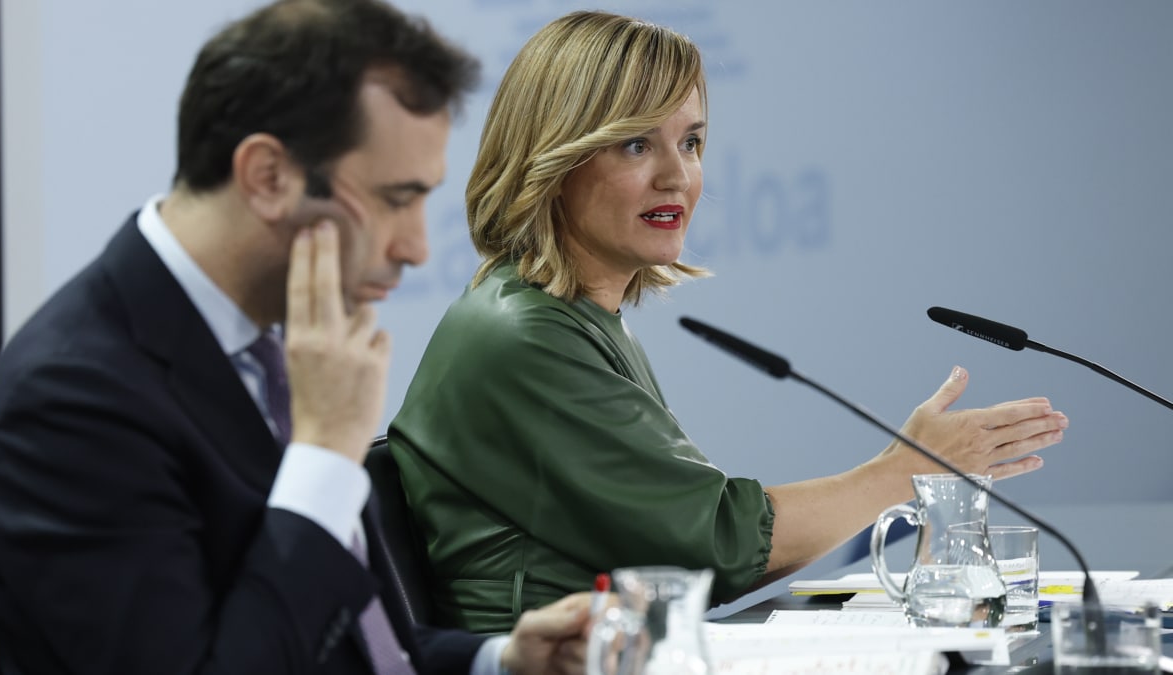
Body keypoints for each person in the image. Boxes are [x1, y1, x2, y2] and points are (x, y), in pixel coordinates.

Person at [388, 9, 1070, 634]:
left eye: (690, 142)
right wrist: (906, 470)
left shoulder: (573, 317)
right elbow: (717, 544)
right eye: (634, 144)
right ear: (553, 158)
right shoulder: (524, 338)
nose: (676, 176)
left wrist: (902, 469)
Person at [0, 1, 591, 673]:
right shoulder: (71, 401)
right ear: (268, 177)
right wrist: (324, 454)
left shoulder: (272, 343)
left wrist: (498, 659)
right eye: (394, 198)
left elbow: (343, 640)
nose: (416, 246)